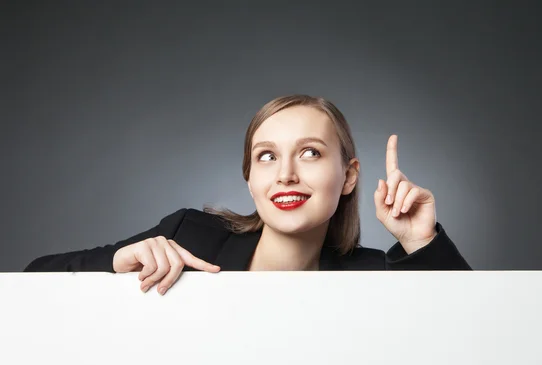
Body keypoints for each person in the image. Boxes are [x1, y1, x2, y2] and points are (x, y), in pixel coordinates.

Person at [25, 94, 471, 294]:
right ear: (249, 177)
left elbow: (483, 337)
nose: (286, 175)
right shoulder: (190, 236)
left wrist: (420, 242)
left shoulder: (381, 278)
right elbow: (30, 281)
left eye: (311, 153)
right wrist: (115, 263)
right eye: (267, 157)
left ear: (349, 176)